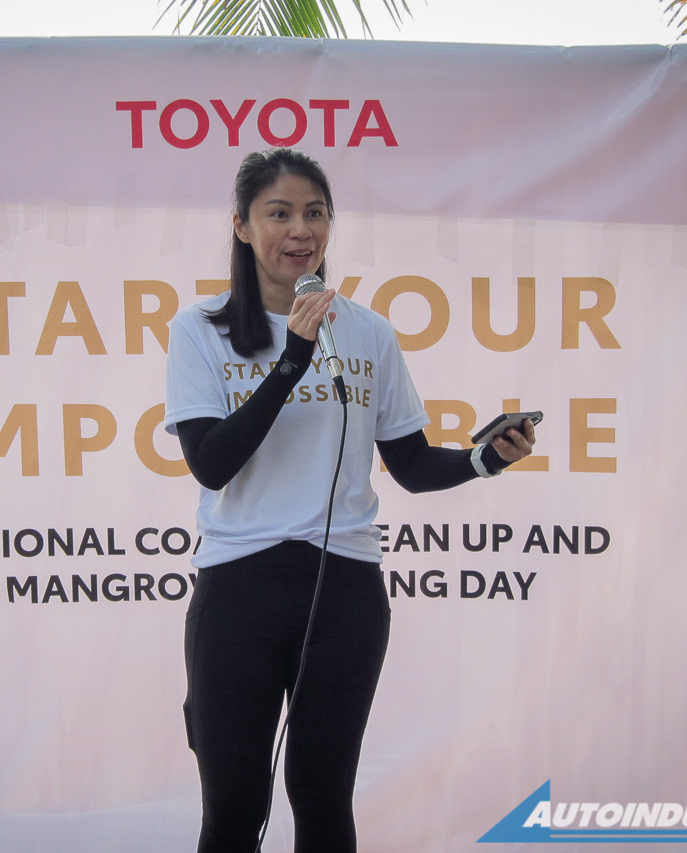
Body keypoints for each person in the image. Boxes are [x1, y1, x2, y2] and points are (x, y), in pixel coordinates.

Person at [163, 148, 536, 853]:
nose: (300, 230)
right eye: (279, 213)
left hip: (344, 591)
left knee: (323, 795)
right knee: (235, 807)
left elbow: (412, 464)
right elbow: (212, 463)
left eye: (315, 213)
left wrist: (485, 458)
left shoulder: (368, 331)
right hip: (239, 590)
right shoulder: (201, 329)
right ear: (242, 225)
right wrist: (292, 359)